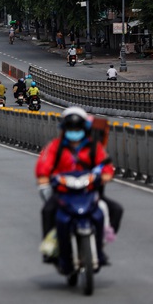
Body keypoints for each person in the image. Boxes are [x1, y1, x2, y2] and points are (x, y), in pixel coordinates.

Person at [34, 107, 122, 268]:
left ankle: (101, 243)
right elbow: (44, 166)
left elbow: (106, 166)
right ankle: (50, 249)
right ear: (64, 128)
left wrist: (106, 175)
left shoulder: (94, 147)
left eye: (77, 128)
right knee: (47, 211)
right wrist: (44, 178)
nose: (74, 131)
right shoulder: (55, 147)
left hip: (88, 191)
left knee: (116, 210)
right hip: (63, 192)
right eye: (71, 128)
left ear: (84, 128)